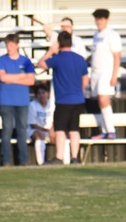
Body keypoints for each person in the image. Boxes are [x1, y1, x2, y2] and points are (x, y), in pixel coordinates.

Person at [37, 31, 90, 164]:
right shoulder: (80, 59)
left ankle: (59, 157)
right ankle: (75, 158)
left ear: (59, 43)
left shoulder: (58, 59)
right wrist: (80, 91)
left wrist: (51, 51)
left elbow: (40, 64)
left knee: (60, 129)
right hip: (78, 100)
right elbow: (85, 79)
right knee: (74, 129)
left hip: (63, 101)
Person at [0, 33, 37, 166]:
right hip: (6, 101)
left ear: (17, 45)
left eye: (12, 45)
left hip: (22, 101)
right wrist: (21, 76)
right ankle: (6, 160)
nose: (9, 48)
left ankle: (23, 159)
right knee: (7, 131)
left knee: (22, 130)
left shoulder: (26, 61)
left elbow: (31, 81)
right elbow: (3, 78)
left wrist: (11, 78)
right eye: (7, 45)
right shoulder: (1, 60)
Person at [90, 9, 123, 140]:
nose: (99, 22)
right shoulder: (96, 35)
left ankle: (111, 130)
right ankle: (105, 131)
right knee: (100, 101)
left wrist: (114, 75)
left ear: (107, 20)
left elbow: (117, 56)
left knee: (104, 99)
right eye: (97, 19)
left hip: (106, 71)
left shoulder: (112, 35)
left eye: (101, 19)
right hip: (95, 72)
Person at [28, 84, 54, 165]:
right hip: (34, 130)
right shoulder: (32, 105)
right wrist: (46, 130)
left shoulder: (52, 104)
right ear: (36, 96)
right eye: (39, 93)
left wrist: (52, 130)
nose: (42, 95)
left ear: (48, 93)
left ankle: (65, 162)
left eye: (43, 93)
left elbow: (56, 120)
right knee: (39, 135)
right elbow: (33, 124)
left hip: (50, 130)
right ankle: (41, 163)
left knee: (62, 136)